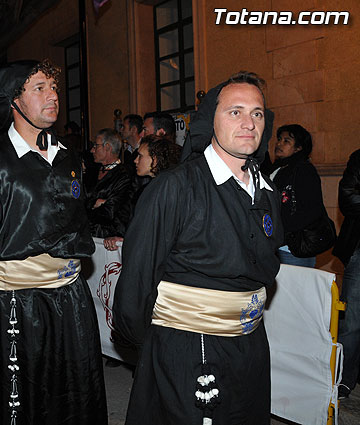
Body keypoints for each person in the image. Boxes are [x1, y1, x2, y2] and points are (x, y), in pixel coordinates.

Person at [113, 71, 282, 424]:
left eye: (257, 113)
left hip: (250, 348)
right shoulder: (175, 188)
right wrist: (161, 349)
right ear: (210, 121)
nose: (248, 122)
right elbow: (136, 283)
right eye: (235, 112)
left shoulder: (266, 192)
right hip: (188, 349)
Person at [0, 59, 107, 425]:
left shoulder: (70, 159)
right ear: (13, 101)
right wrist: (7, 277)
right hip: (15, 302)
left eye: (53, 87)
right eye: (39, 88)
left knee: (76, 386)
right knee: (23, 394)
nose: (53, 96)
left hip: (70, 296)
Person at [263, 124, 325, 267]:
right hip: (274, 246)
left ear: (298, 148)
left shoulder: (304, 170)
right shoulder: (277, 168)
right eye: (279, 139)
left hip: (293, 249)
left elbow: (312, 210)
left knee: (296, 288)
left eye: (286, 141)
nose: (279, 144)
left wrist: (284, 232)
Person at [333, 148, 360, 399]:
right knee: (352, 322)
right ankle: (343, 380)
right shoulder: (359, 158)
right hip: (359, 250)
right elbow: (347, 198)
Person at [87, 128, 133, 250]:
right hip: (88, 238)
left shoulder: (124, 175)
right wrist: (95, 203)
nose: (92, 150)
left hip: (109, 242)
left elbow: (110, 212)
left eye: (96, 146)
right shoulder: (91, 173)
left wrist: (90, 207)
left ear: (107, 147)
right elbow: (79, 203)